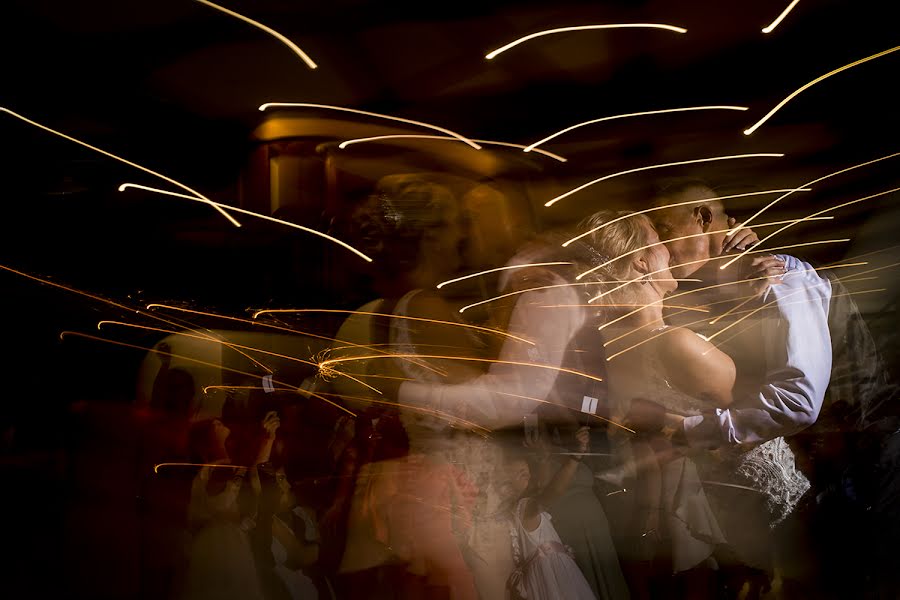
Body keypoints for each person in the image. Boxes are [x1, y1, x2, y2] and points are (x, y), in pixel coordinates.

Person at [499, 427, 597, 600]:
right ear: (506, 486)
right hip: (552, 576)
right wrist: (575, 458)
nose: (528, 476)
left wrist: (543, 458)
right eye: (521, 474)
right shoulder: (525, 507)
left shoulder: (518, 509)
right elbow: (552, 491)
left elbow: (542, 488)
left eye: (527, 472)